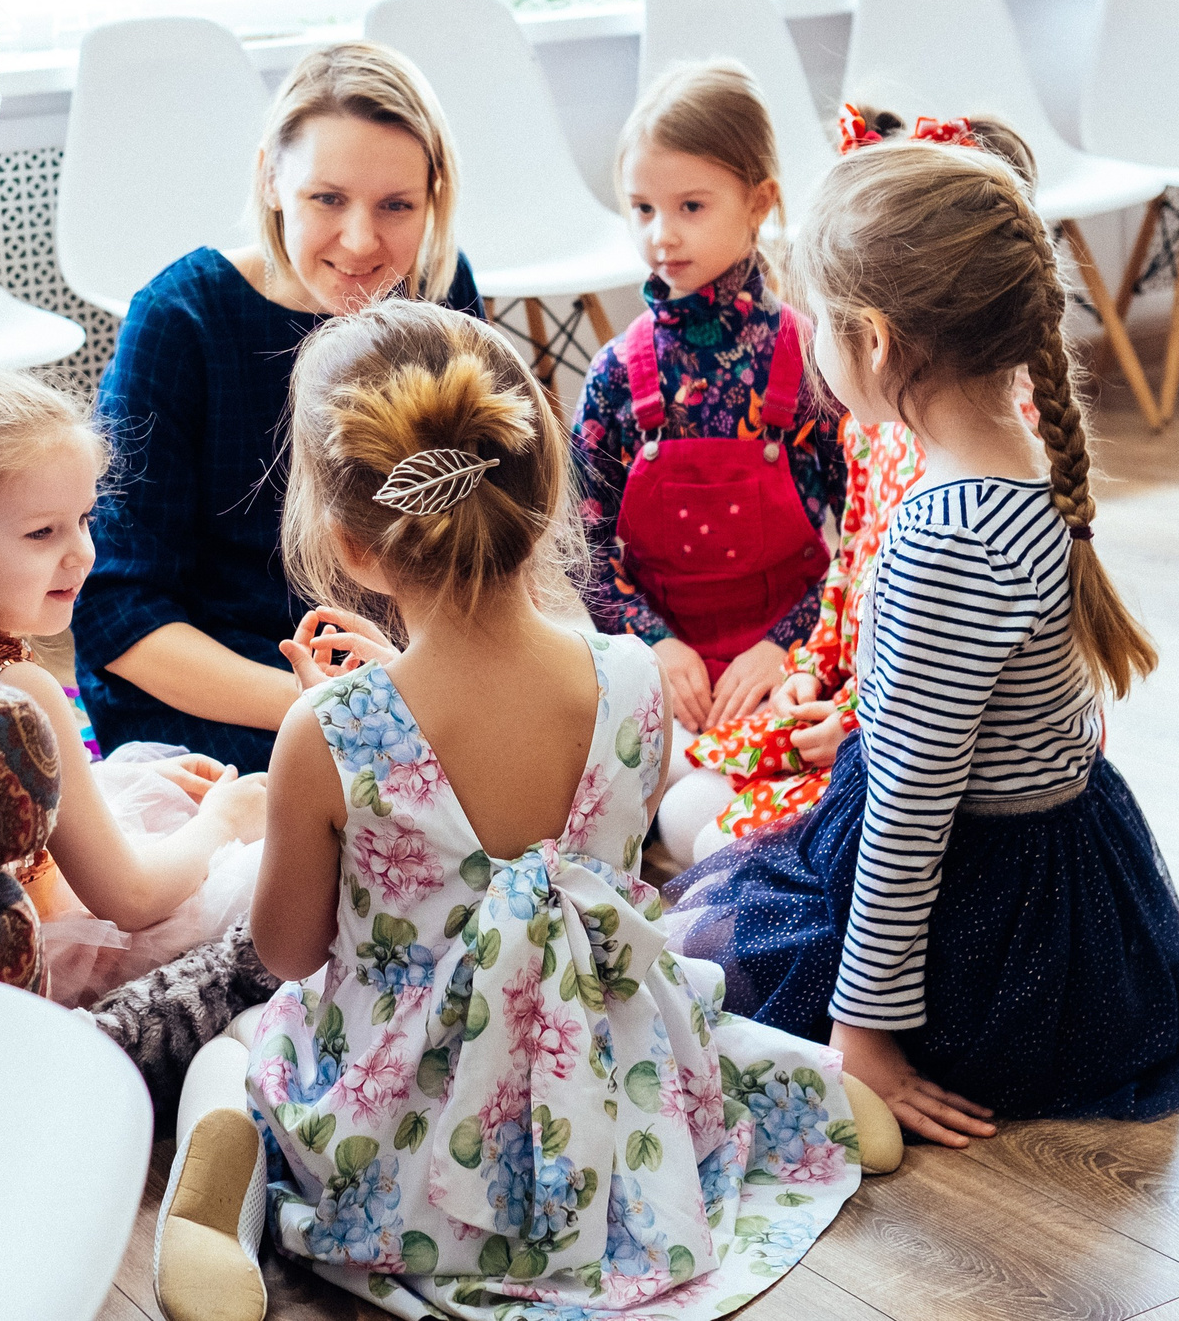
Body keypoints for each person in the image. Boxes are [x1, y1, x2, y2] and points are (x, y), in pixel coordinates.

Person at [152, 301, 873, 1321]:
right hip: (607, 1112)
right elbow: (593, 866)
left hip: (410, 1146)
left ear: (349, 544)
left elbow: (289, 951)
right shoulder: (632, 679)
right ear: (539, 500)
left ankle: (210, 1214)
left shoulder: (329, 730)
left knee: (239, 1043)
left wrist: (354, 722)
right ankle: (793, 1083)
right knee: (674, 997)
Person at [666, 130, 1179, 1143]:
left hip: (985, 925)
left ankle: (861, 1018)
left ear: (874, 342)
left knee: (698, 882)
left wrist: (863, 1033)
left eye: (817, 326)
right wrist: (864, 723)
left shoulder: (943, 534)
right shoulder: (1027, 463)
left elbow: (908, 815)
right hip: (1063, 875)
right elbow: (982, 717)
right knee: (713, 832)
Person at [72, 41, 485, 772]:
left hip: (398, 668)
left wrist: (420, 686)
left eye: (396, 206)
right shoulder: (180, 320)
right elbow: (117, 609)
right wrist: (340, 706)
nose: (361, 241)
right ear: (270, 179)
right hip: (222, 683)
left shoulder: (442, 296)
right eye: (327, 199)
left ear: (433, 197)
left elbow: (478, 537)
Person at [654, 107, 1041, 868]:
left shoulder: (973, 481)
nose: (808, 343)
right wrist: (806, 670)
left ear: (877, 338)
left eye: (822, 323)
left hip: (898, 756)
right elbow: (850, 567)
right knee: (675, 798)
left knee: (703, 833)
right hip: (845, 707)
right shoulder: (877, 424)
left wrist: (856, 729)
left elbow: (950, 694)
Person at [0, 371, 271, 1008]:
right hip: (36, 961)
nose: (82, 553)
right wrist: (226, 820)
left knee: (165, 798)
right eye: (42, 532)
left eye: (84, 519)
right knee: (277, 876)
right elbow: (132, 899)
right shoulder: (19, 689)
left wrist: (120, 786)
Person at [572, 62, 847, 748]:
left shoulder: (817, 363)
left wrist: (789, 643)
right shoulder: (614, 374)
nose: (660, 235)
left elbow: (870, 533)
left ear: (759, 202)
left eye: (690, 207)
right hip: (660, 672)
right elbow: (580, 547)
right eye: (642, 208)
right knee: (639, 788)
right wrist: (653, 644)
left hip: (794, 665)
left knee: (787, 778)